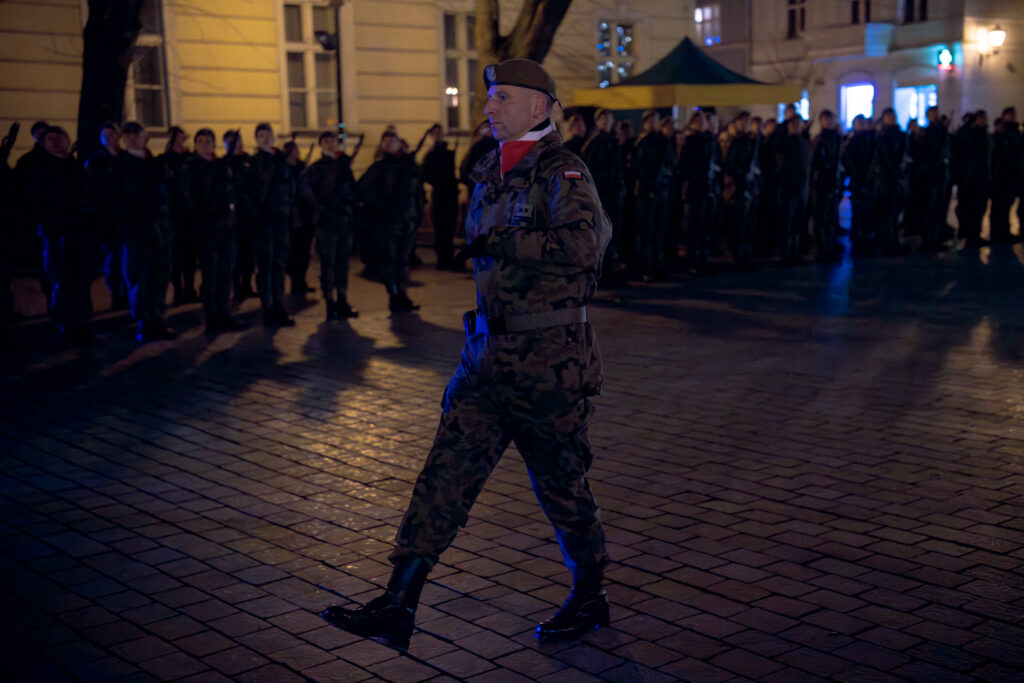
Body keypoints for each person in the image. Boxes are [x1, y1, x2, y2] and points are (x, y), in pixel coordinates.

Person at [322, 58, 611, 648]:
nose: (488, 107)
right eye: (490, 98)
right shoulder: (487, 169)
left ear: (538, 107)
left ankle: (591, 594)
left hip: (548, 361)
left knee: (562, 487)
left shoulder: (564, 170)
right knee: (444, 474)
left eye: (501, 97)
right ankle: (399, 601)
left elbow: (586, 246)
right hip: (484, 356)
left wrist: (506, 241)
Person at [29, 126, 99, 345]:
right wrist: (54, 227)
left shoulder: (77, 168)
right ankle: (66, 327)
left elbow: (90, 198)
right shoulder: (40, 170)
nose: (56, 142)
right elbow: (36, 204)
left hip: (79, 234)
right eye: (50, 139)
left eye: (59, 138)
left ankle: (83, 326)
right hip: (55, 235)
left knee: (82, 282)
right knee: (62, 282)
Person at [179, 128, 245, 333]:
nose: (205, 144)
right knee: (211, 275)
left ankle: (224, 313)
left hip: (227, 228)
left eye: (209, 140)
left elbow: (231, 191)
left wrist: (232, 217)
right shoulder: (190, 168)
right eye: (201, 141)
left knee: (226, 273)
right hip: (206, 229)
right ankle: (212, 316)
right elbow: (185, 197)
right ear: (196, 144)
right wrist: (201, 217)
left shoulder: (222, 165)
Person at [115, 121, 176, 342]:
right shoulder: (120, 165)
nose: (132, 138)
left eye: (136, 134)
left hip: (160, 229)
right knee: (140, 277)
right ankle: (144, 320)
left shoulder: (156, 164)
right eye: (128, 134)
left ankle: (157, 316)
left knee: (159, 276)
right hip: (136, 231)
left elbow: (169, 194)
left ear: (144, 136)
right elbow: (117, 201)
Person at [358, 130, 422, 312]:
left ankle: (402, 295)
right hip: (387, 222)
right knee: (390, 259)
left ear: (399, 143)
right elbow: (364, 191)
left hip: (407, 220)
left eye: (392, 140)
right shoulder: (379, 167)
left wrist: (417, 214)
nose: (389, 143)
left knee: (403, 260)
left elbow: (417, 193)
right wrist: (381, 207)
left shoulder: (408, 167)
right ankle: (394, 296)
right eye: (385, 140)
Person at [300, 130, 360, 320]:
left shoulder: (343, 165)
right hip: (326, 222)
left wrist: (349, 207)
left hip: (343, 220)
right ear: (321, 144)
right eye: (326, 141)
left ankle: (342, 300)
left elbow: (352, 189)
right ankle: (330, 302)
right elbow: (308, 193)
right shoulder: (316, 168)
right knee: (328, 264)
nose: (330, 143)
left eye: (332, 140)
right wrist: (322, 209)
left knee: (342, 263)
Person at [245, 123, 296, 327]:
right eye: (261, 135)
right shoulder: (254, 162)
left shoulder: (281, 161)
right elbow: (248, 193)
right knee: (265, 266)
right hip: (264, 221)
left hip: (281, 219)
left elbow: (290, 186)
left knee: (279, 265)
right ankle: (268, 307)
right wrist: (258, 214)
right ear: (257, 139)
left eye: (269, 135)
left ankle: (279, 305)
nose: (266, 138)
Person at [85, 121, 130, 310]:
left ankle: (128, 293)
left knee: (129, 258)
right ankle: (117, 294)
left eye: (113, 134)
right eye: (106, 135)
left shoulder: (126, 158)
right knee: (113, 259)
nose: (110, 138)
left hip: (127, 217)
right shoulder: (96, 161)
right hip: (107, 218)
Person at [581, 108, 625, 282]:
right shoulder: (594, 143)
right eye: (602, 118)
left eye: (608, 118)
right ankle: (600, 273)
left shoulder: (614, 141)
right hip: (602, 195)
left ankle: (608, 269)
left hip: (614, 194)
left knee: (612, 233)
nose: (606, 121)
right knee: (601, 235)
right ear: (597, 121)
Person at [631, 109, 675, 281]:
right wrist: (650, 182)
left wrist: (662, 183)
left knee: (658, 231)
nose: (654, 124)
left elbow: (670, 165)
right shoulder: (642, 142)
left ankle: (656, 265)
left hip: (660, 192)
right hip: (646, 192)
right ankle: (645, 267)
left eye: (656, 120)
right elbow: (636, 166)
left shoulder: (664, 142)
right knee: (645, 232)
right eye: (651, 120)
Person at [163, 126, 199, 305]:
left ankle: (190, 288)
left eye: (181, 136)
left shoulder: (189, 157)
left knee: (190, 254)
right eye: (176, 137)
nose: (179, 139)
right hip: (174, 212)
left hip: (189, 212)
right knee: (177, 256)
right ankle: (178, 290)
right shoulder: (165, 159)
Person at [420, 124, 461, 271]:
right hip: (440, 194)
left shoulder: (447, 151)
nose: (438, 135)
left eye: (440, 132)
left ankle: (448, 258)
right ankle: (443, 259)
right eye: (435, 133)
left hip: (449, 194)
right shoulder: (431, 155)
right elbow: (425, 174)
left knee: (449, 227)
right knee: (441, 227)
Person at [778, 115, 813, 265]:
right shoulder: (784, 143)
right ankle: (787, 254)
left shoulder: (804, 142)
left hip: (801, 187)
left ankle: (794, 252)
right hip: (789, 187)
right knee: (788, 222)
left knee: (797, 222)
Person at [810, 110, 843, 261]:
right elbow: (817, 163)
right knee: (822, 217)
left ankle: (829, 245)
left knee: (831, 216)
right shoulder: (820, 140)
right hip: (822, 183)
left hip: (833, 182)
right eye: (826, 120)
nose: (829, 122)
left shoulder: (836, 139)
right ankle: (821, 248)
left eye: (831, 119)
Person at [990, 107, 1019, 244]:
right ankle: (999, 233)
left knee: (1005, 206)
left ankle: (1003, 232)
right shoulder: (1003, 137)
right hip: (1002, 177)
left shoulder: (1010, 135)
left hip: (1008, 176)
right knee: (1000, 207)